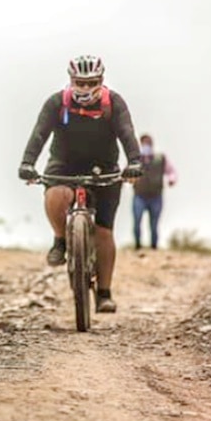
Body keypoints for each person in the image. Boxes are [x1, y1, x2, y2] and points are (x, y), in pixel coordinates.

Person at [17, 55, 143, 313]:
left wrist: (135, 162)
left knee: (104, 232)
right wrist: (28, 163)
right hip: (64, 165)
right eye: (80, 83)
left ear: (101, 80)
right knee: (54, 194)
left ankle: (104, 293)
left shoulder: (113, 103)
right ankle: (61, 240)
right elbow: (39, 134)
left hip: (104, 169)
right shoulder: (56, 103)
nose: (85, 88)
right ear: (71, 80)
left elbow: (127, 134)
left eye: (92, 82)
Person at [131, 133, 178, 250]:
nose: (146, 146)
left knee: (154, 224)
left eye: (148, 143)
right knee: (137, 221)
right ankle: (137, 245)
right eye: (144, 143)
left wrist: (171, 180)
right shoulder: (135, 160)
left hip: (156, 196)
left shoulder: (160, 158)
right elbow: (127, 174)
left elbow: (171, 171)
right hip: (139, 196)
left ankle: (154, 247)